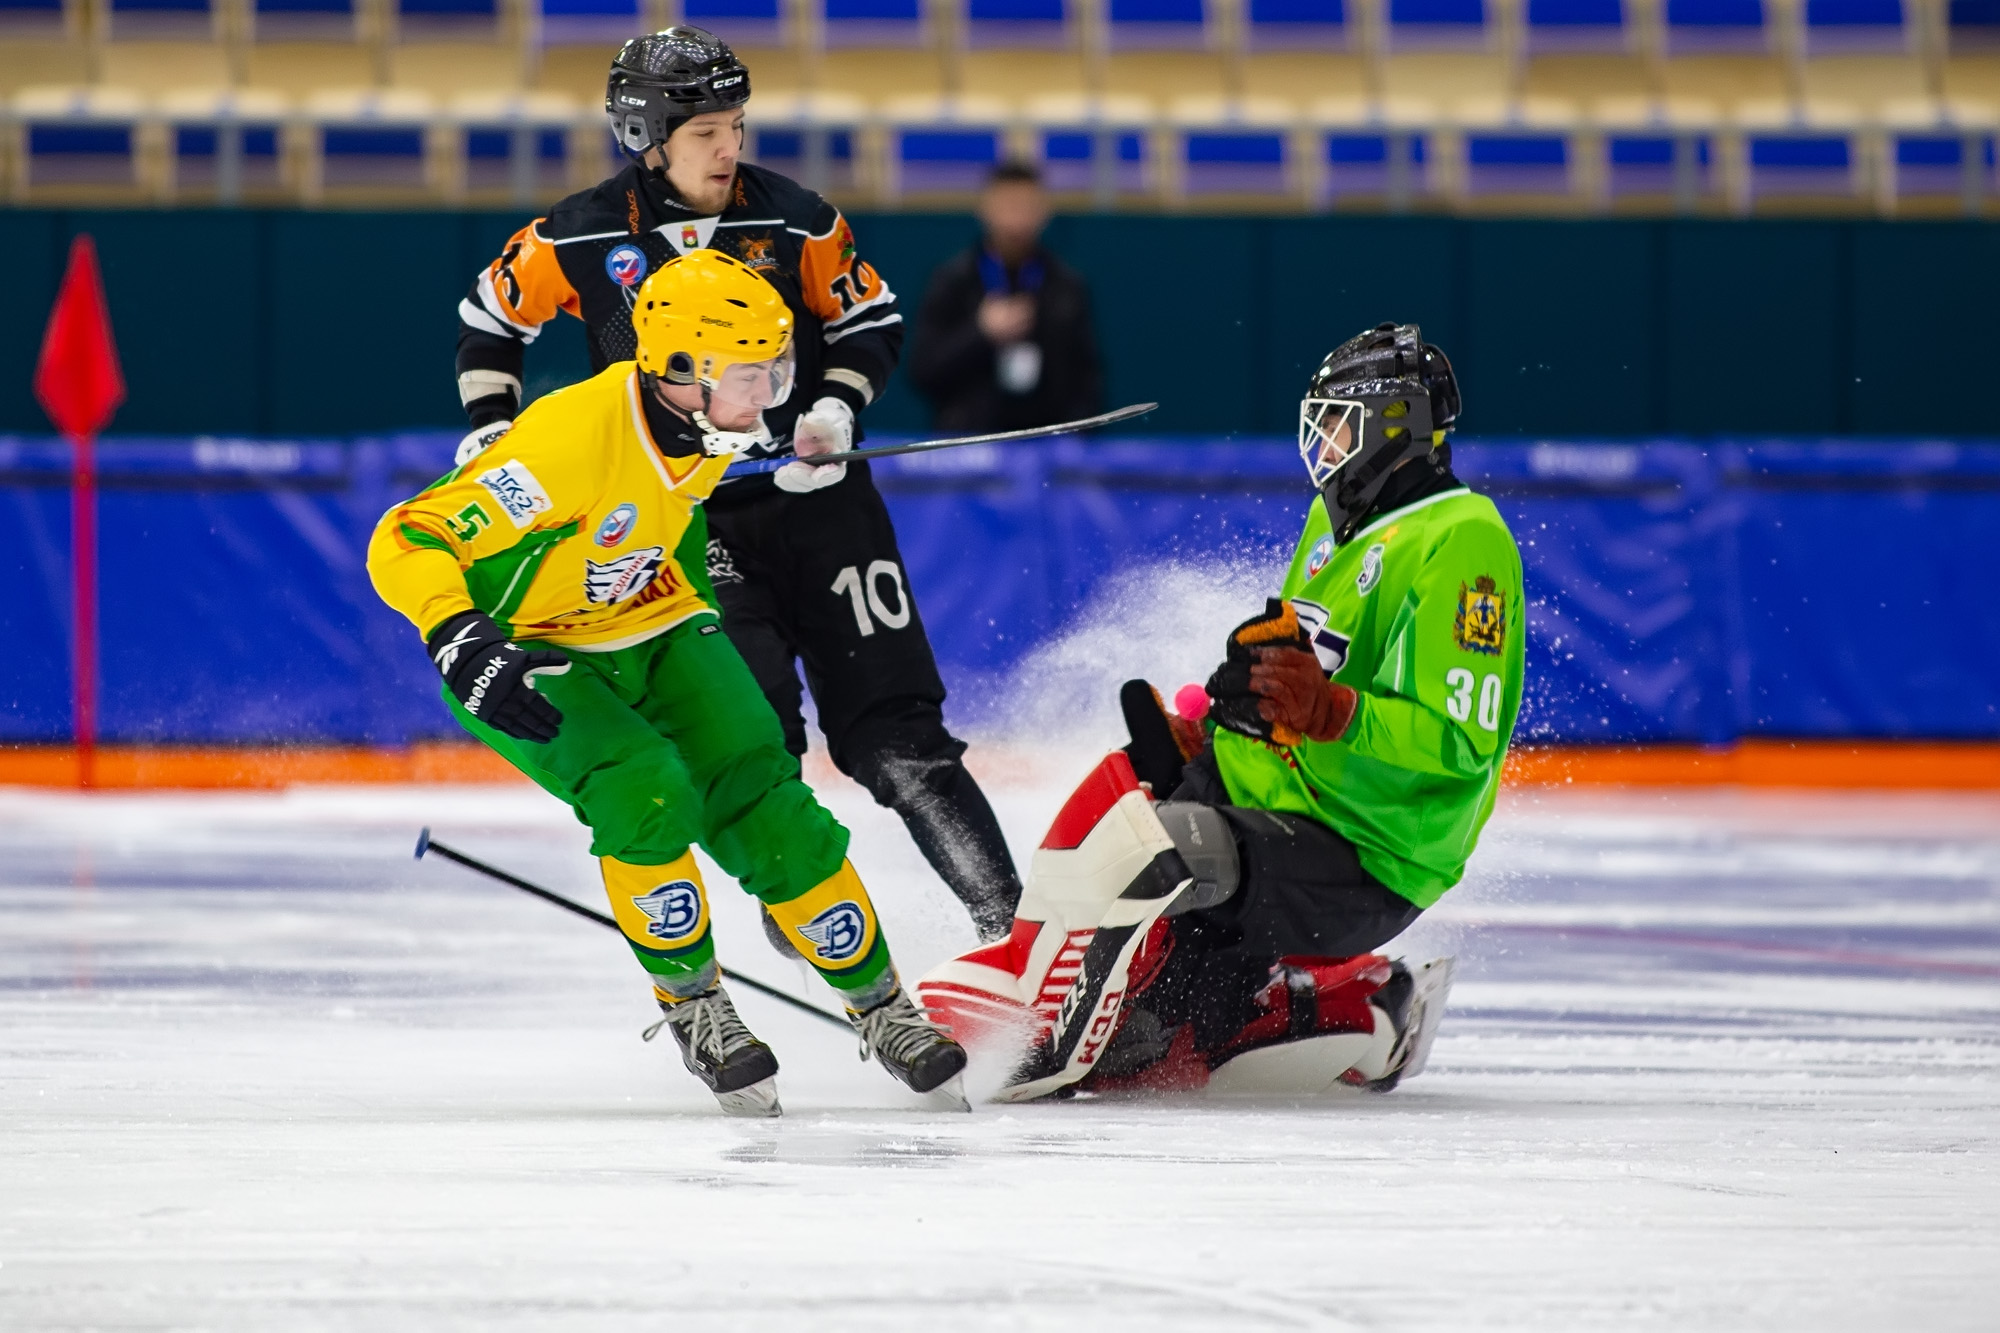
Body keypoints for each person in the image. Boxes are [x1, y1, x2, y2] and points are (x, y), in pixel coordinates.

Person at [452, 26, 1024, 944]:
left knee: (902, 743)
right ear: (648, 136)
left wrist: (836, 409)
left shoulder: (799, 218)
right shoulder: (579, 231)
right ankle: (833, 964)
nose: (731, 146)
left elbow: (870, 320)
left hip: (822, 506)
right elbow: (487, 322)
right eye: (707, 130)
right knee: (759, 756)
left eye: (737, 124)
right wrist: (491, 430)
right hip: (688, 527)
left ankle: (1016, 940)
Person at [371, 250, 967, 1117]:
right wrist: (460, 637)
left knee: (768, 804)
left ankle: (883, 1007)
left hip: (657, 619)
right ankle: (694, 1005)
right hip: (532, 650)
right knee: (642, 788)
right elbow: (405, 536)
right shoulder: (564, 444)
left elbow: (673, 490)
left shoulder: (701, 425)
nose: (769, 395)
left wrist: (793, 455)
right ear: (680, 371)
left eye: (777, 371)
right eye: (753, 376)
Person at [915, 322, 1525, 1099]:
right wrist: (1208, 733)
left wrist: (1334, 712)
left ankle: (1034, 1031)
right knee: (1154, 1037)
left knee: (1157, 847)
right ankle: (1364, 1003)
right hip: (1283, 796)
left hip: (1365, 848)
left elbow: (1461, 740)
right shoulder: (1335, 520)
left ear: (1393, 424)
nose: (1325, 443)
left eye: (1340, 422)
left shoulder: (1464, 538)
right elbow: (1285, 682)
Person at [907, 160, 1103, 434]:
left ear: (1044, 212)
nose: (1016, 219)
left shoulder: (1067, 286)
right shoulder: (952, 281)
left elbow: (1087, 380)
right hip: (970, 446)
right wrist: (980, 333)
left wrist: (1073, 441)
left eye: (1026, 207)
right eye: (1008, 206)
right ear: (986, 209)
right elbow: (923, 371)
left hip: (1048, 449)